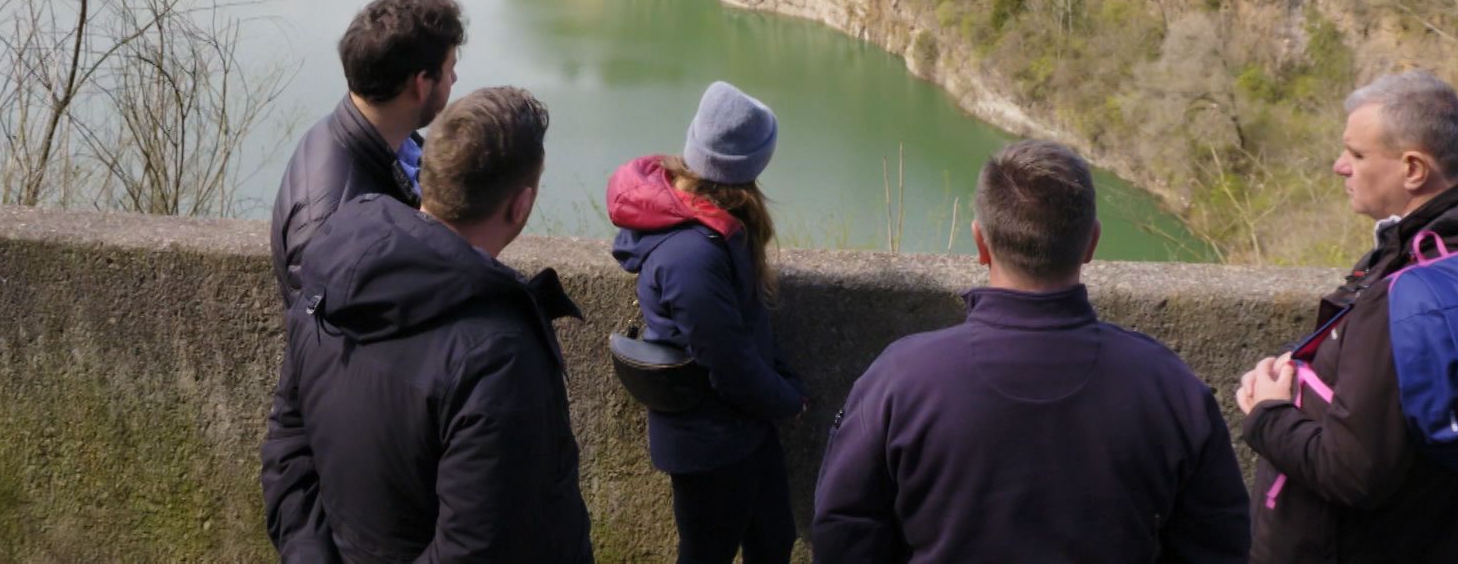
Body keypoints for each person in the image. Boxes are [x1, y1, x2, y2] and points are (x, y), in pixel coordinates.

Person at [812, 140, 1250, 564]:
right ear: (1091, 243)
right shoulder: (1169, 387)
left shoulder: (899, 379)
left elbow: (844, 531)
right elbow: (1217, 542)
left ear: (980, 243)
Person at [260, 86, 593, 563]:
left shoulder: (333, 270)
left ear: (428, 177)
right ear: (520, 206)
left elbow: (287, 448)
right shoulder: (499, 354)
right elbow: (477, 549)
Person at [1236, 70, 1458, 563]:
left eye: (1357, 155)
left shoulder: (1407, 294)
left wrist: (1267, 413)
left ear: (1412, 169)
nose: (1340, 166)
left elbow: (1351, 472)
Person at [608, 81, 806, 564]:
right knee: (706, 554)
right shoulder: (692, 255)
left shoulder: (712, 222)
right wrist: (788, 399)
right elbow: (728, 360)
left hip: (741, 425)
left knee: (774, 539)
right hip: (711, 441)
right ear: (750, 165)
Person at [270, 0, 464, 307]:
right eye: (450, 68)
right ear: (420, 84)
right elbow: (332, 347)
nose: (455, 78)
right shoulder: (330, 222)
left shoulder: (382, 138)